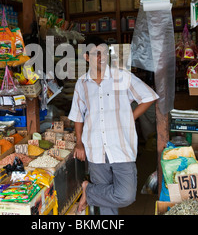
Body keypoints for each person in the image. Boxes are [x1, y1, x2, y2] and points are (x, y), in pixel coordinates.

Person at [68, 35, 159, 215]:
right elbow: (78, 115)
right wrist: (79, 142)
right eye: (95, 53)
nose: (101, 57)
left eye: (103, 52)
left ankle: (89, 190)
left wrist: (130, 117)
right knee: (107, 207)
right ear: (86, 57)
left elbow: (149, 96)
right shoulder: (82, 83)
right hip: (95, 148)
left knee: (126, 195)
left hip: (121, 146)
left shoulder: (122, 76)